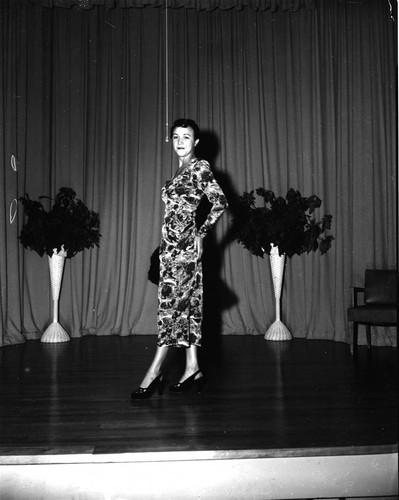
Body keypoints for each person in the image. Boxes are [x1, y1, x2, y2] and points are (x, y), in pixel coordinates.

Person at [131, 118, 228, 399]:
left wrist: (201, 234)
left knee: (170, 313)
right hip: (170, 250)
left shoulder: (199, 167)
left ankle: (153, 373)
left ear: (196, 142)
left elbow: (220, 202)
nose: (181, 141)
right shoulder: (180, 170)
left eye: (186, 137)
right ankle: (192, 367)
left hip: (184, 251)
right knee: (185, 309)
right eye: (176, 136)